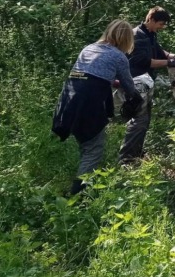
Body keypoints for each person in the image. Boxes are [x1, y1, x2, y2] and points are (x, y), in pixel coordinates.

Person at [53, 20, 141, 194]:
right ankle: (78, 195)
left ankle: (81, 185)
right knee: (94, 149)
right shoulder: (119, 56)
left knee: (86, 145)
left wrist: (111, 81)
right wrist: (137, 99)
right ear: (126, 39)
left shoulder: (89, 48)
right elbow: (129, 87)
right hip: (88, 105)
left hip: (69, 101)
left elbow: (87, 75)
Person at [119, 6, 175, 164]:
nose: (162, 27)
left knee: (144, 119)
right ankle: (127, 160)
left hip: (146, 83)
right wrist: (169, 62)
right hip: (137, 84)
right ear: (150, 19)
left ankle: (136, 153)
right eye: (161, 24)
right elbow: (140, 60)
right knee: (139, 120)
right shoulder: (137, 36)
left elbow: (159, 52)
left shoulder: (150, 34)